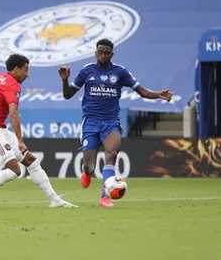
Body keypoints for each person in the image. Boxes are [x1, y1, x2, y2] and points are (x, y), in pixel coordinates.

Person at [58, 38, 173, 207]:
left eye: (106, 53)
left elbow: (141, 91)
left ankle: (104, 197)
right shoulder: (86, 71)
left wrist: (158, 95)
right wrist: (64, 80)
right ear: (96, 53)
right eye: (100, 52)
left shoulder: (120, 72)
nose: (103, 55)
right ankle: (87, 172)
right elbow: (67, 95)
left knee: (111, 155)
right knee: (89, 166)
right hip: (90, 122)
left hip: (111, 122)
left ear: (112, 54)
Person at [0, 53, 78, 209]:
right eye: (25, 70)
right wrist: (20, 140)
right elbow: (13, 113)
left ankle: (55, 200)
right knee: (14, 170)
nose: (27, 75)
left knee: (31, 161)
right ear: (16, 69)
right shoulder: (13, 85)